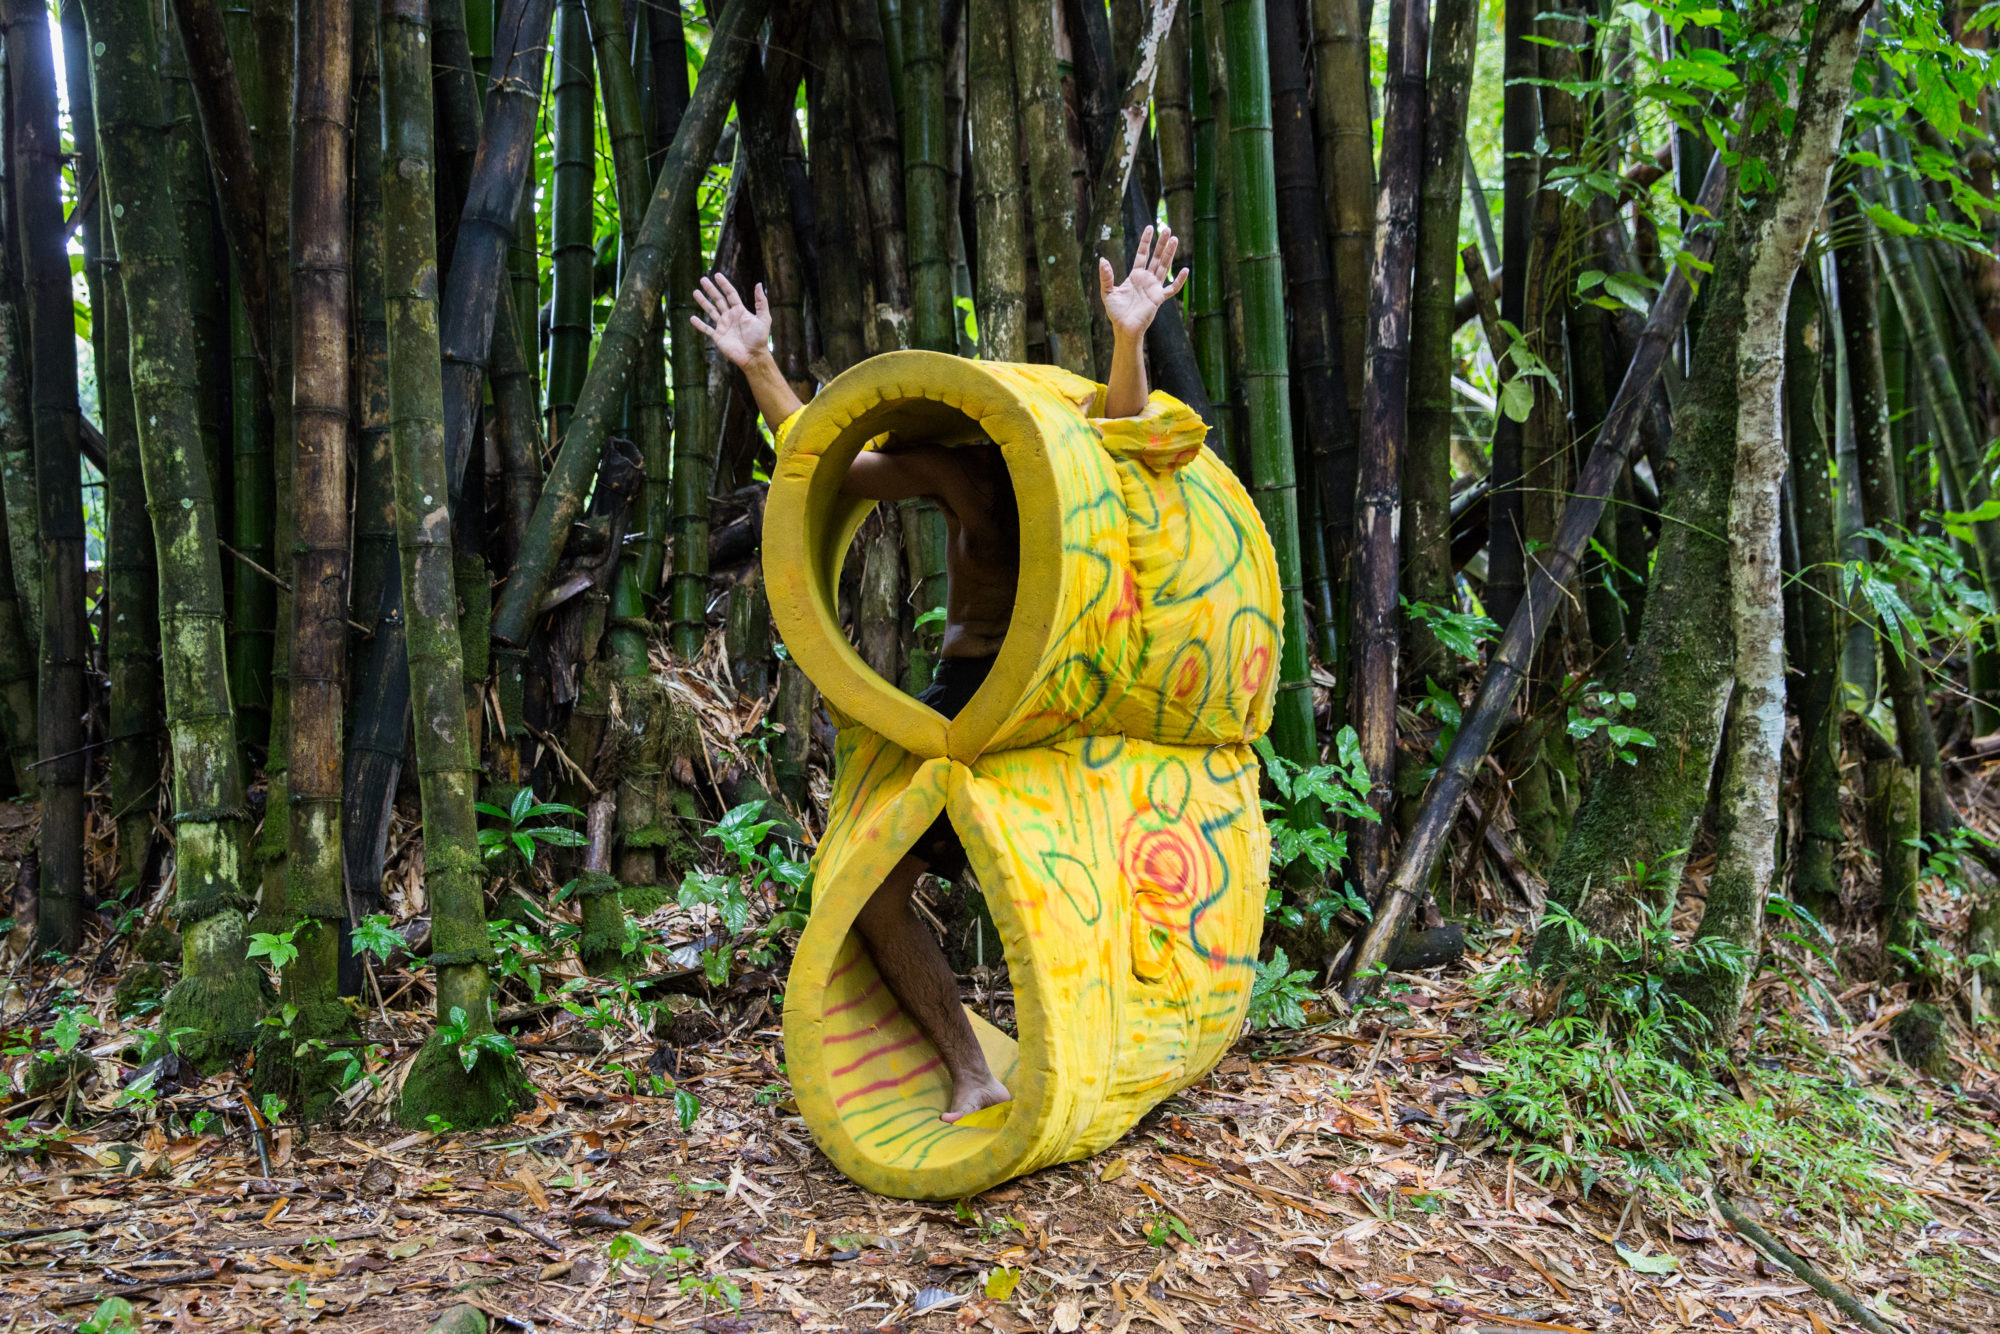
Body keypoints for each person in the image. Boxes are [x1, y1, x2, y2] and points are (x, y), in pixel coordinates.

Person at [691, 227, 1190, 1122]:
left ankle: (1102, 1067)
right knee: (871, 892)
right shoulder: (966, 472)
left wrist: (1129, 339)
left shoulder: (1078, 460)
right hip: (962, 703)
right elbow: (824, 463)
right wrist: (759, 365)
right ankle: (971, 1069)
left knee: (1078, 894)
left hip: (1059, 708)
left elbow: (1127, 442)